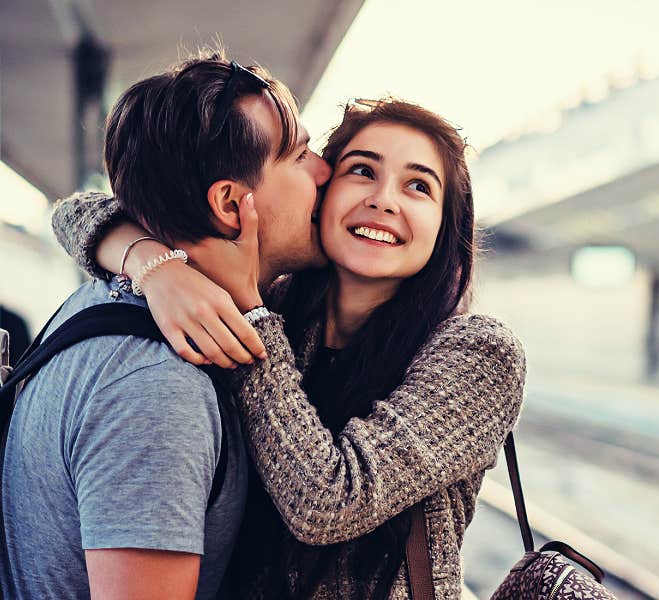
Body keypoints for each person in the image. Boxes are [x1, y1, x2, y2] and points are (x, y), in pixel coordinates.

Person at [56, 98, 526, 599]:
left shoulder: (479, 354)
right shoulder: (287, 310)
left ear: (444, 224)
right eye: (362, 171)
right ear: (321, 191)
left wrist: (251, 316)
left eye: (418, 186)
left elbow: (327, 503)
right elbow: (74, 212)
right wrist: (156, 267)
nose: (384, 200)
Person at [0, 50, 330, 600]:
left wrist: (151, 261)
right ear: (229, 203)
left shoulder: (109, 297)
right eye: (298, 156)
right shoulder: (156, 389)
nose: (323, 170)